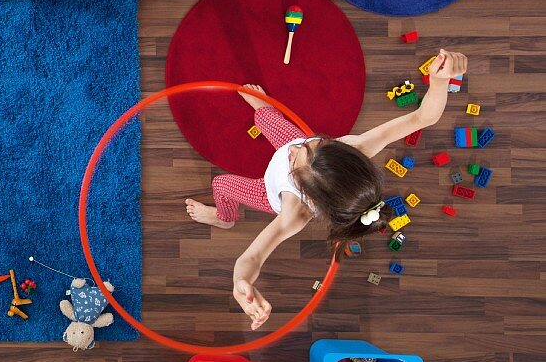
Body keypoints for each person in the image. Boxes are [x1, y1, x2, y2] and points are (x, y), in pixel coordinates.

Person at [184, 49, 469, 329]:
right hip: (302, 169)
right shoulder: (352, 147)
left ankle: (224, 218)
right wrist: (440, 81)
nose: (297, 148)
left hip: (268, 189)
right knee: (275, 122)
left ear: (303, 190)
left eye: (299, 154)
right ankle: (262, 110)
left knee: (220, 184)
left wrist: (241, 283)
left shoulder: (293, 213)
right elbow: (422, 118)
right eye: (316, 142)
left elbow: (253, 257)